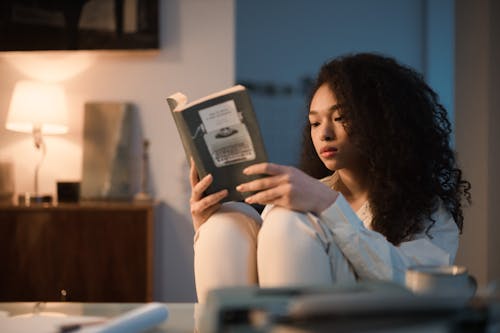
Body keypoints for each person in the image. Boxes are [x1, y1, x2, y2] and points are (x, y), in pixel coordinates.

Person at [189, 53, 471, 303]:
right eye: (315, 122)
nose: (324, 133)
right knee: (226, 220)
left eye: (341, 117)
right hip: (273, 314)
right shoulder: (305, 195)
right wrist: (204, 223)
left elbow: (416, 289)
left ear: (383, 122)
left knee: (289, 220)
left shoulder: (426, 211)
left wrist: (329, 205)